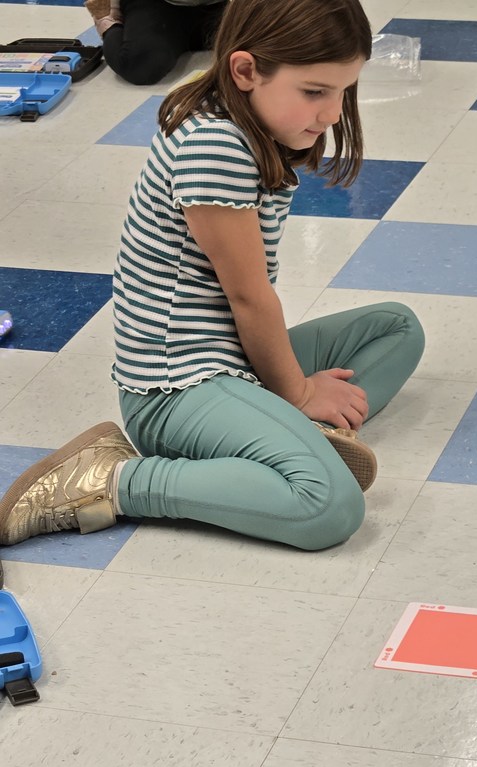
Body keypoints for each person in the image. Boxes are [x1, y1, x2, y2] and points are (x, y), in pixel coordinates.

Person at [0, 0, 424, 554]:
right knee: (329, 506)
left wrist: (290, 392)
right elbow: (250, 299)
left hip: (229, 362)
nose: (333, 114)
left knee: (397, 328)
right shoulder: (214, 145)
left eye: (344, 90)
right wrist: (295, 393)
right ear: (246, 71)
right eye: (315, 91)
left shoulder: (247, 123)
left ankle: (276, 443)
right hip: (175, 390)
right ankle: (111, 479)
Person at [85, 0, 227, 86]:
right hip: (159, 5)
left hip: (221, 5)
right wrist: (110, 10)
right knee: (138, 65)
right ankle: (108, 21)